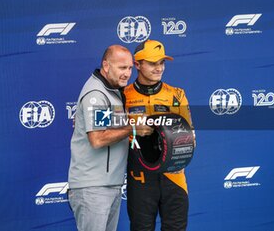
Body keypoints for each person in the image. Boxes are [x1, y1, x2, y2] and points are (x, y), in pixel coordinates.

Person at [68, 45, 153, 231]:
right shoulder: (97, 94)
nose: (127, 73)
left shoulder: (111, 92)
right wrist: (133, 128)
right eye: (122, 68)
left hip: (107, 185)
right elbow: (97, 139)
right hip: (93, 187)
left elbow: (107, 124)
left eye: (130, 68)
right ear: (106, 66)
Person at [124, 39, 195, 231]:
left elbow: (191, 137)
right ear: (137, 64)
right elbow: (103, 127)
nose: (159, 68)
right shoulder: (123, 95)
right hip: (140, 177)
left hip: (174, 177)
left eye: (162, 62)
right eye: (153, 63)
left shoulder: (176, 94)